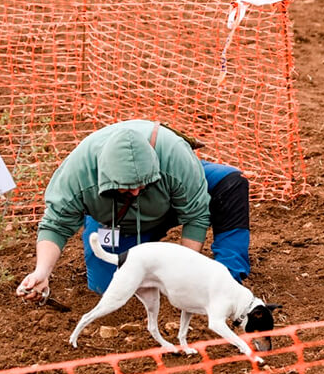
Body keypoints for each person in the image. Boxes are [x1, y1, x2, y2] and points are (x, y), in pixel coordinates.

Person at [16, 120, 252, 300]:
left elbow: (196, 215)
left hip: (171, 198)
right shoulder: (77, 177)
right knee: (110, 289)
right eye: (128, 188)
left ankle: (228, 278)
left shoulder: (174, 157)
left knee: (231, 183)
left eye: (143, 185)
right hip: (117, 222)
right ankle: (136, 237)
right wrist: (42, 272)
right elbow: (56, 224)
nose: (137, 192)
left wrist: (187, 273)